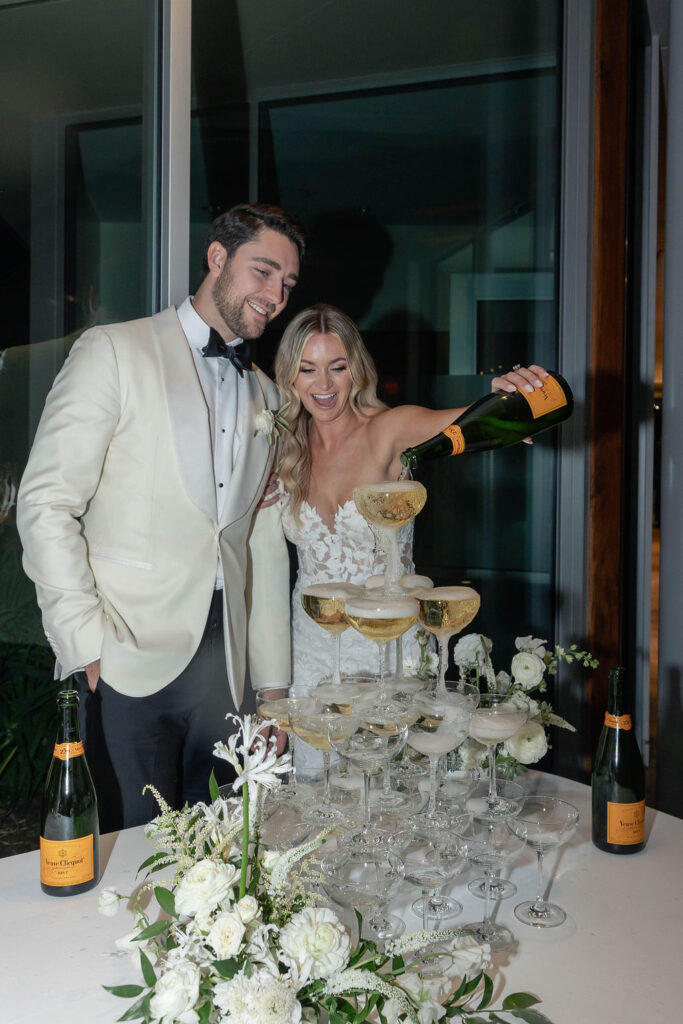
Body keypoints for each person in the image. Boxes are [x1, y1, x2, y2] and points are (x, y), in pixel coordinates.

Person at [17, 202, 305, 831]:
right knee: (133, 862)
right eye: (263, 271)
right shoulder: (114, 351)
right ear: (217, 258)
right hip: (124, 658)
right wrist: (82, 640)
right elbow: (45, 502)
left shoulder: (272, 397)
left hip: (226, 671)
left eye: (287, 283)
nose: (275, 295)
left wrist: (275, 689)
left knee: (223, 859)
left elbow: (259, 544)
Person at [273, 304, 548, 773]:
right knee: (319, 801)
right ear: (289, 377)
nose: (323, 385)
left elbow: (496, 423)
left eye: (337, 368)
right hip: (312, 654)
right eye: (307, 369)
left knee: (388, 797)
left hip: (388, 650)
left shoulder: (389, 429)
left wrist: (518, 397)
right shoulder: (285, 445)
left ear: (355, 370)